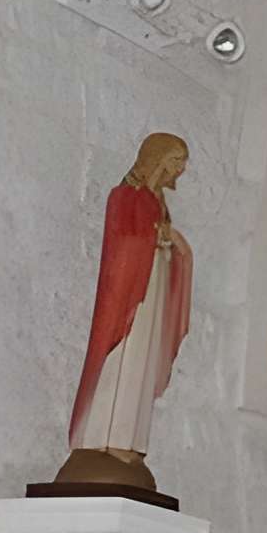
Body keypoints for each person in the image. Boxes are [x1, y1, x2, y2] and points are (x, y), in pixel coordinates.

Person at [53, 131, 193, 501]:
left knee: (140, 373)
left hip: (150, 302)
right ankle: (103, 438)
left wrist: (170, 243)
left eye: (182, 163)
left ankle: (126, 441)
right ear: (157, 159)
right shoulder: (126, 196)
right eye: (175, 161)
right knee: (121, 367)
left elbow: (155, 245)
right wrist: (158, 238)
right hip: (128, 305)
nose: (179, 169)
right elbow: (122, 248)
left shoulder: (159, 202)